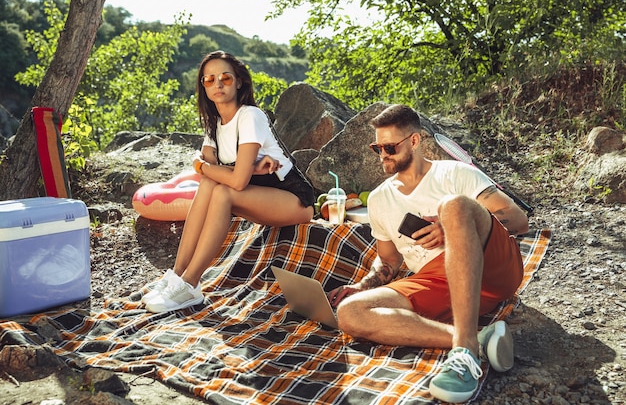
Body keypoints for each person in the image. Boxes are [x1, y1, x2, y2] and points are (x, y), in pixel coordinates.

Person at [327, 104, 529, 403]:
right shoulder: (380, 198)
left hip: (492, 266)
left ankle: (463, 354)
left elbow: (518, 219)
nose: (382, 154)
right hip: (436, 281)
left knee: (454, 206)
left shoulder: (455, 173)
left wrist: (454, 227)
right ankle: (474, 340)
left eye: (390, 146)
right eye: (377, 147)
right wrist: (361, 286)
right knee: (350, 313)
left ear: (414, 141)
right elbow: (389, 260)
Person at [141, 51, 315, 313]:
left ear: (239, 82)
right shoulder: (214, 124)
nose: (217, 84)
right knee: (211, 185)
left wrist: (202, 165)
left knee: (222, 191)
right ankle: (177, 274)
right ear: (203, 86)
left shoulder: (250, 116)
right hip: (258, 195)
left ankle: (191, 284)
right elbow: (212, 173)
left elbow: (230, 177)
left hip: (293, 199)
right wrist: (248, 169)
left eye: (225, 78)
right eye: (209, 80)